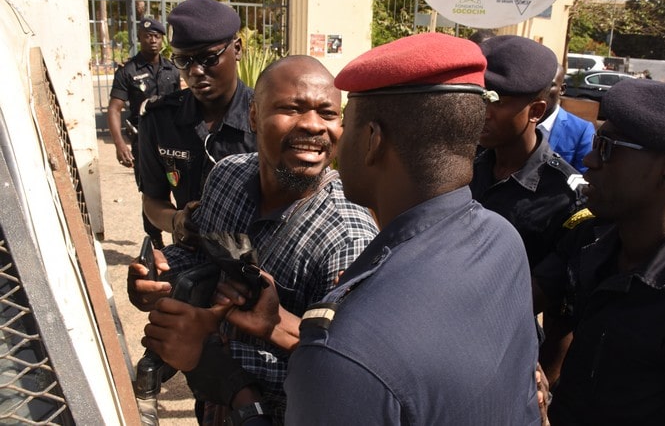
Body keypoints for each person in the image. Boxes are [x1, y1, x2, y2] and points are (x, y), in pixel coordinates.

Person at [283, 33, 541, 424]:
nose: (334, 140)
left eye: (346, 124)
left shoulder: (343, 352)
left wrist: (239, 398)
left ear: (372, 140)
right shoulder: (502, 238)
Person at [131, 55, 379, 425]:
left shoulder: (348, 238)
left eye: (328, 114)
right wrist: (159, 279)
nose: (313, 125)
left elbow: (344, 379)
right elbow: (198, 254)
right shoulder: (226, 177)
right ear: (253, 116)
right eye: (291, 109)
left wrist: (212, 351)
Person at [533, 78, 665, 425]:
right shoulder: (590, 236)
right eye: (595, 141)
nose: (590, 159)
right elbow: (523, 296)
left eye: (607, 147)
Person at [138, 0, 257, 248]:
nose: (195, 71)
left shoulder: (266, 118)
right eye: (183, 61)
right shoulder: (160, 120)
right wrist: (176, 221)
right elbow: (152, 199)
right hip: (189, 258)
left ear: (236, 49)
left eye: (208, 58)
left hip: (257, 264)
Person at [472, 35, 589, 269]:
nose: (484, 112)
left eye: (497, 102)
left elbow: (551, 285)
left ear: (535, 111)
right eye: (481, 98)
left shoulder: (565, 195)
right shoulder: (465, 168)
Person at [107, 16, 179, 249]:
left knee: (180, 184)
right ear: (139, 38)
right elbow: (115, 108)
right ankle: (155, 240)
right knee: (152, 190)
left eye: (157, 36)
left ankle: (180, 234)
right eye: (148, 36)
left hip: (172, 139)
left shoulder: (172, 69)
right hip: (145, 141)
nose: (153, 40)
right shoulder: (128, 71)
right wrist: (120, 145)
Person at [539, 64, 596, 173]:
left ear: (562, 89)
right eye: (538, 84)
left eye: (550, 85)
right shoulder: (518, 121)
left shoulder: (581, 131)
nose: (542, 91)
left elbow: (583, 178)